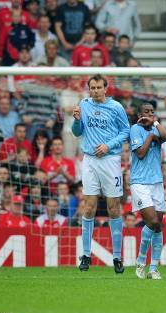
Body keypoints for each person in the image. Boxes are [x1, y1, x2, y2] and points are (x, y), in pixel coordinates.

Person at [71, 74, 130, 273]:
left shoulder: (116, 108)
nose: (95, 91)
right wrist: (77, 120)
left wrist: (108, 145)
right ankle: (86, 255)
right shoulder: (84, 104)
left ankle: (117, 257)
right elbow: (77, 132)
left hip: (110, 160)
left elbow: (126, 131)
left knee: (113, 208)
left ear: (106, 89)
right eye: (92, 88)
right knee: (89, 207)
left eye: (98, 87)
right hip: (89, 160)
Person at [130, 103, 166, 280]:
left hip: (157, 182)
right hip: (140, 182)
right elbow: (140, 153)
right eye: (146, 112)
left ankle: (153, 268)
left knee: (158, 225)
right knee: (152, 221)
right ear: (139, 114)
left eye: (152, 112)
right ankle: (140, 261)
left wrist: (155, 123)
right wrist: (151, 138)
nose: (149, 114)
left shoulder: (156, 128)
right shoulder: (135, 129)